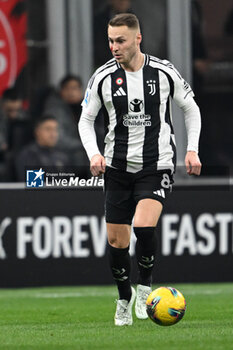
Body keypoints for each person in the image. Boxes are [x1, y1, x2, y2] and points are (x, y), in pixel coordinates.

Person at [79, 13, 201, 326]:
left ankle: (145, 287)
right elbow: (86, 119)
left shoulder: (163, 72)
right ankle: (124, 297)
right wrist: (94, 154)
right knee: (117, 242)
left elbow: (190, 108)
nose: (114, 47)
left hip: (155, 163)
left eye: (120, 40)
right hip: (117, 166)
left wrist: (192, 149)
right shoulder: (103, 77)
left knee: (144, 226)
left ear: (137, 39)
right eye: (110, 41)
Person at [42, 75, 89, 177]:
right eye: (68, 88)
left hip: (81, 161)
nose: (71, 93)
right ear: (61, 91)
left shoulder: (84, 107)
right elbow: (58, 139)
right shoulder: (55, 109)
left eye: (75, 88)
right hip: (62, 160)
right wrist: (86, 144)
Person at [15, 115, 69, 181]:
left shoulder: (61, 156)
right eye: (48, 129)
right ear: (37, 132)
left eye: (55, 129)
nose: (53, 134)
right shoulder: (29, 155)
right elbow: (34, 185)